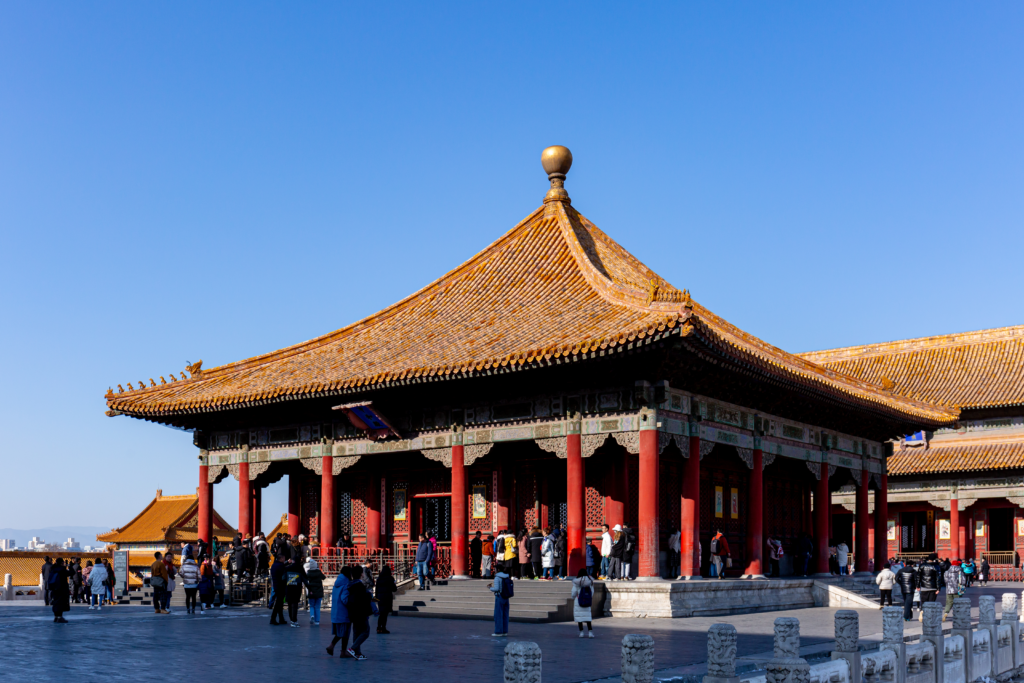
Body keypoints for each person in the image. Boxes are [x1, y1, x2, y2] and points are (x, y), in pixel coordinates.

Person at [346, 565, 372, 660]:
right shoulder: (359, 586)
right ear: (361, 574)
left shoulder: (350, 585)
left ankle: (358, 653)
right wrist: (369, 596)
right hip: (360, 612)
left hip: (352, 612)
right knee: (366, 631)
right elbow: (362, 599)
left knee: (356, 632)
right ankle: (352, 649)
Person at [327, 567, 353, 657]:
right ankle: (339, 649)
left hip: (336, 612)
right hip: (344, 612)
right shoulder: (346, 584)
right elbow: (344, 599)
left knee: (341, 632)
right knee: (345, 632)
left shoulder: (337, 583)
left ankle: (337, 648)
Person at [917, 553, 944, 621]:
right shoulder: (936, 566)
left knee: (923, 601)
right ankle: (929, 616)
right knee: (931, 602)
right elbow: (938, 578)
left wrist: (917, 585)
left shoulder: (922, 565)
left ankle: (922, 612)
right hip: (933, 587)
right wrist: (938, 588)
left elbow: (918, 576)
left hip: (923, 586)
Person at [571, 567, 595, 638]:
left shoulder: (577, 582)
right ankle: (590, 632)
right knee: (588, 618)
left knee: (580, 618)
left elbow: (574, 592)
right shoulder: (590, 581)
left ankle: (581, 633)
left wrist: (573, 597)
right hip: (587, 601)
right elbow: (592, 592)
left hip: (578, 601)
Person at [489, 564, 512, 637]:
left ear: (498, 570)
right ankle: (504, 631)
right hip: (506, 597)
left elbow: (496, 589)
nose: (494, 570)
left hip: (499, 596)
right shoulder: (507, 576)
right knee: (505, 615)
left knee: (498, 614)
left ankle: (498, 632)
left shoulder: (497, 577)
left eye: (495, 569)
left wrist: (490, 588)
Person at [375, 564, 397, 634]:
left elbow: (376, 590)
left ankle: (378, 628)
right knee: (385, 614)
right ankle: (383, 628)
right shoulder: (390, 579)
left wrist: (376, 598)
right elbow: (394, 589)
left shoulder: (379, 579)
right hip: (387, 598)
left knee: (381, 614)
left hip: (380, 598)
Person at [304, 558, 326, 626]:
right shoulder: (319, 572)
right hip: (319, 591)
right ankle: (317, 621)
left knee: (311, 606)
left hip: (311, 591)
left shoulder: (309, 573)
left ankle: (312, 615)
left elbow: (306, 580)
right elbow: (324, 577)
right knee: (317, 607)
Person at [269, 553, 288, 625]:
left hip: (276, 585)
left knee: (279, 603)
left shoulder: (274, 565)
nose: (284, 560)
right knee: (278, 604)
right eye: (284, 558)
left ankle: (281, 618)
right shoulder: (280, 566)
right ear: (281, 558)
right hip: (280, 586)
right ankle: (273, 619)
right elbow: (283, 574)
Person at [49, 559, 70, 623]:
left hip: (54, 588)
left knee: (55, 602)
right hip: (62, 589)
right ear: (61, 563)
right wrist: (69, 566)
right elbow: (72, 573)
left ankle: (56, 617)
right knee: (61, 603)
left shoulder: (53, 569)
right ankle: (60, 617)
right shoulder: (62, 570)